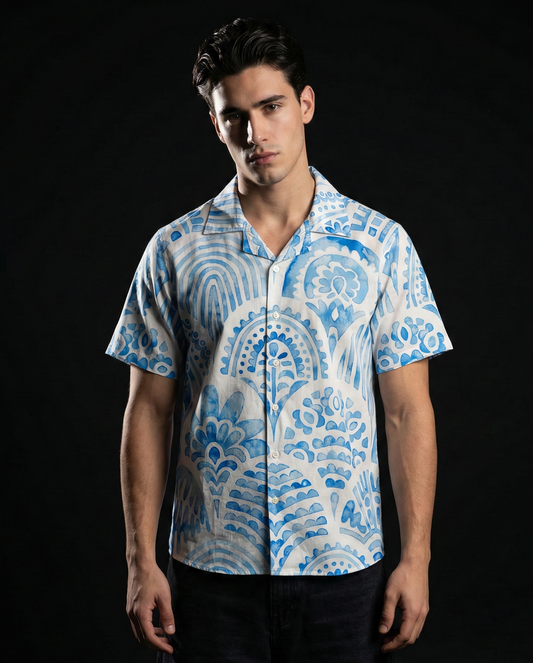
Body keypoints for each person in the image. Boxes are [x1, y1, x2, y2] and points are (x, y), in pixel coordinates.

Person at [106, 17, 452, 663]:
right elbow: (147, 410)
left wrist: (416, 558)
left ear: (305, 104)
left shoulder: (381, 245)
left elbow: (407, 411)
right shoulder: (174, 250)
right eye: (234, 116)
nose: (255, 133)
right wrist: (139, 561)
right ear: (216, 125)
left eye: (270, 107)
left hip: (344, 568)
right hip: (209, 573)